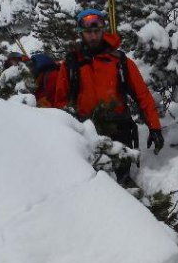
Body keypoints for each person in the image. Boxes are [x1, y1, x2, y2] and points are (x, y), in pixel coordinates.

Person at [53, 8, 163, 154]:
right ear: (81, 33)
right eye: (88, 32)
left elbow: (142, 95)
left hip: (119, 131)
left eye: (96, 31)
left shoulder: (121, 62)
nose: (93, 36)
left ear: (102, 31)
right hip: (86, 133)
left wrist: (155, 127)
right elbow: (61, 103)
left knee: (122, 168)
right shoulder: (71, 64)